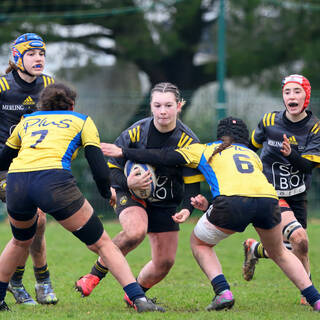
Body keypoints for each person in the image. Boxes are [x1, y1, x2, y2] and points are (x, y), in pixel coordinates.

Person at [101, 116, 320, 312]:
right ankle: (316, 300)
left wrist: (125, 152)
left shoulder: (205, 149)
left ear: (219, 135)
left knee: (199, 243)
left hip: (232, 202)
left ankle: (223, 292)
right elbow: (247, 190)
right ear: (244, 138)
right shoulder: (251, 156)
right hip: (269, 201)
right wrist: (210, 206)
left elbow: (164, 156)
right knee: (280, 252)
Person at [0, 82, 165, 313]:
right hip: (52, 181)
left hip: (16, 181)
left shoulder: (27, 122)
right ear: (72, 104)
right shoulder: (81, 120)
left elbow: (3, 158)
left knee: (19, 241)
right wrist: (106, 191)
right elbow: (97, 163)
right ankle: (139, 299)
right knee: (103, 244)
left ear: (42, 104)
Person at [75, 82, 204, 305]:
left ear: (179, 106)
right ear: (151, 107)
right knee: (136, 232)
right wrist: (126, 182)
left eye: (168, 105)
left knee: (164, 262)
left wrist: (186, 208)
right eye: (157, 105)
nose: (163, 111)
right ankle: (93, 275)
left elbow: (191, 181)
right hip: (130, 194)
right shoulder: (136, 132)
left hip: (165, 203)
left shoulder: (188, 140)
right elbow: (112, 168)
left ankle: (135, 293)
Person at [241, 74, 320, 305]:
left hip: (297, 195)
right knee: (299, 238)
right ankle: (310, 293)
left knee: (299, 246)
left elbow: (309, 166)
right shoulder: (269, 121)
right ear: (283, 96)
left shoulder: (314, 128)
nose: (292, 96)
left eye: (297, 91)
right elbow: (249, 148)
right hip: (269, 193)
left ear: (306, 96)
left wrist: (291, 154)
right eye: (288, 92)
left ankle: (255, 250)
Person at [0, 33, 57, 305]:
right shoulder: (2, 86)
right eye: (32, 54)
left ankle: (33, 282)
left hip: (35, 165)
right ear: (17, 57)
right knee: (34, 220)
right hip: (4, 169)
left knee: (39, 223)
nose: (39, 58)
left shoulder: (48, 84)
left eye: (42, 54)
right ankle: (33, 281)